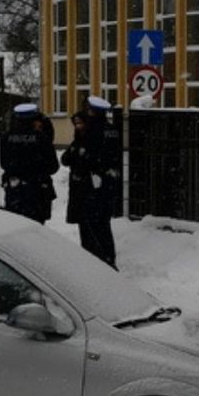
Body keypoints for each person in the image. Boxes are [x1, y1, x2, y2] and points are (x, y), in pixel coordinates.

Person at [61, 96, 119, 268]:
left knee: (90, 228)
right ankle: (108, 259)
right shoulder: (111, 129)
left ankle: (96, 265)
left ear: (91, 111)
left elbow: (81, 159)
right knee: (103, 226)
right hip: (105, 186)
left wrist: (79, 156)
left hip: (89, 189)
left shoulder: (92, 132)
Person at [0, 103, 58, 223]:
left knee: (15, 225)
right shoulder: (41, 138)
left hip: (14, 190)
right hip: (37, 191)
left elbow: (3, 163)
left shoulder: (7, 137)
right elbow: (53, 166)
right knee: (35, 229)